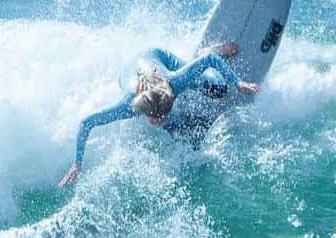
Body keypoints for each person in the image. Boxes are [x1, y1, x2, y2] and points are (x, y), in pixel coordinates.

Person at [58, 42, 260, 186]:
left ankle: (203, 48)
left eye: (161, 116)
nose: (156, 122)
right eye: (154, 118)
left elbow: (209, 60)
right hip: (129, 72)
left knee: (218, 89)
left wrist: (238, 82)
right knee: (180, 130)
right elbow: (86, 123)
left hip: (157, 56)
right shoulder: (128, 107)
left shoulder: (175, 81)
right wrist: (77, 162)